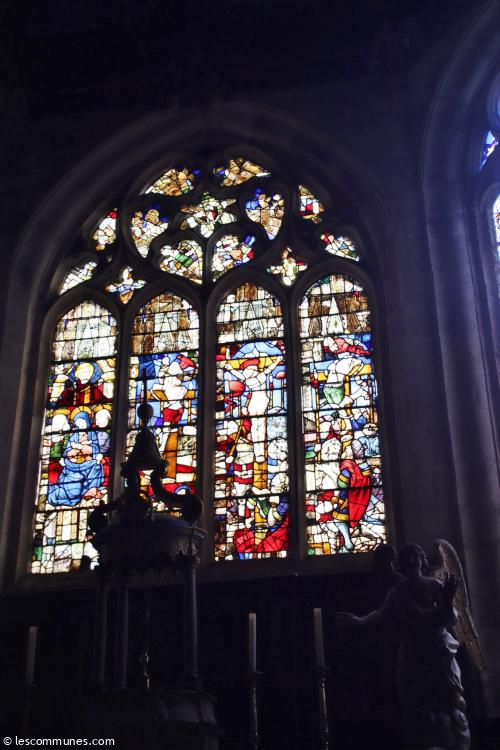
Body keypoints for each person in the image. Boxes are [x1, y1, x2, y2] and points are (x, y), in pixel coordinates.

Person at [336, 544, 470, 750]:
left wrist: (447, 601)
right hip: (413, 652)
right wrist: (360, 621)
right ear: (400, 564)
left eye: (414, 557)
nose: (411, 562)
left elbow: (449, 619)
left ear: (422, 561)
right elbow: (383, 614)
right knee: (414, 700)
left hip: (438, 650)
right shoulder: (398, 592)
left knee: (448, 697)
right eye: (406, 558)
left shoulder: (434, 585)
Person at [48, 410, 105, 507]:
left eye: (81, 422)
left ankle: (90, 490)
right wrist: (73, 451)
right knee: (70, 478)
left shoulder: (92, 434)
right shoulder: (74, 435)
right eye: (78, 423)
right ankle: (66, 493)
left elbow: (95, 448)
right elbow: (67, 450)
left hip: (88, 463)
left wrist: (84, 448)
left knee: (97, 467)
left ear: (86, 421)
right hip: (73, 464)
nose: (80, 425)